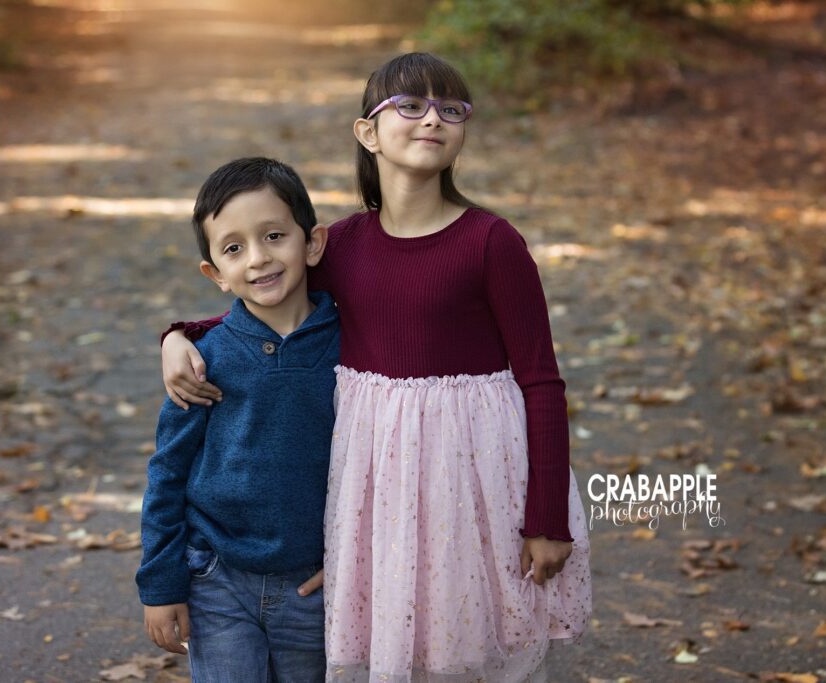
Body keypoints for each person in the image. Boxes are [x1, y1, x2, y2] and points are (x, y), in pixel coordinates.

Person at [159, 53, 592, 682]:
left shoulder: (492, 243)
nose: (431, 120)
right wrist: (178, 336)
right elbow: (268, 303)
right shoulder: (343, 246)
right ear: (368, 132)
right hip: (380, 482)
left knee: (469, 645)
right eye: (410, 106)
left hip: (472, 477)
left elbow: (541, 380)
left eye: (450, 109)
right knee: (393, 645)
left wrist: (548, 516)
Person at [137, 157, 338, 683]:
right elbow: (168, 474)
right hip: (216, 580)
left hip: (316, 584)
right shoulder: (203, 361)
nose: (258, 259)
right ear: (215, 274)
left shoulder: (355, 348)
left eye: (274, 235)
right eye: (234, 248)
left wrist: (356, 559)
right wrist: (162, 585)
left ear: (312, 243)